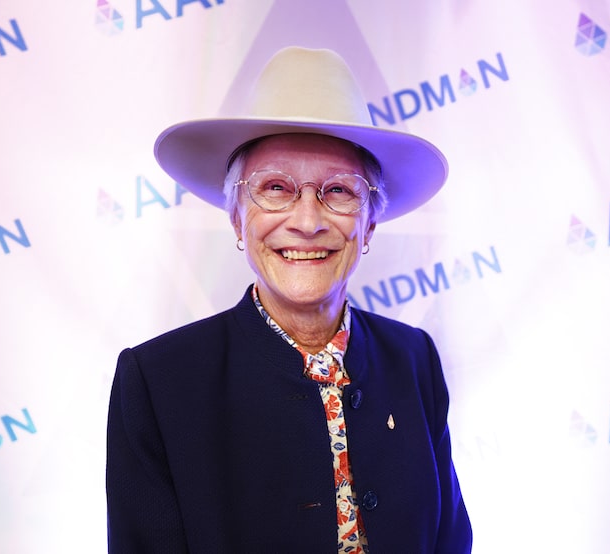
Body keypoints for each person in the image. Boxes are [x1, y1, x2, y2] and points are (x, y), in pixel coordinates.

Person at [106, 46, 472, 553]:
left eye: (340, 191)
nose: (307, 221)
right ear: (237, 217)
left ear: (369, 223)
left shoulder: (414, 358)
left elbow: (450, 541)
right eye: (275, 187)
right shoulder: (157, 381)